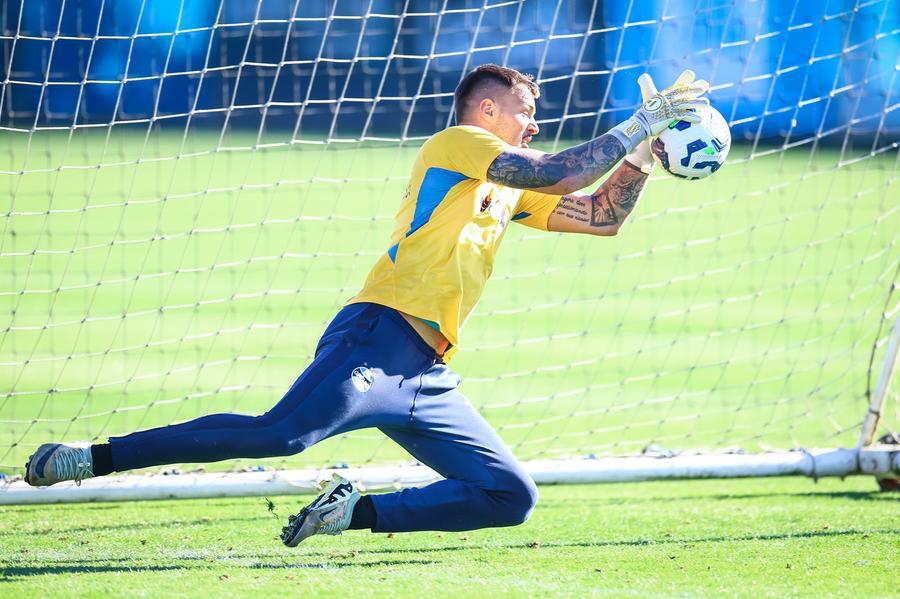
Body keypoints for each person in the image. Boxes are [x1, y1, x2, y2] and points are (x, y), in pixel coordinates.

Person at [25, 64, 708, 546]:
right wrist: (640, 120)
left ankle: (354, 513)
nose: (535, 122)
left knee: (511, 495)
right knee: (281, 435)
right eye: (526, 110)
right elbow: (557, 170)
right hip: (377, 338)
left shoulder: (507, 184)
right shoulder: (461, 145)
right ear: (488, 111)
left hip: (427, 373)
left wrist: (644, 156)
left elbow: (600, 215)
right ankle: (90, 459)